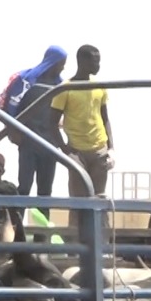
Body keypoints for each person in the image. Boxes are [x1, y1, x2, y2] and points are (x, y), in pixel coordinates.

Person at [51, 45, 113, 237]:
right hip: (77, 151)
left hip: (99, 149)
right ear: (83, 61)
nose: (98, 65)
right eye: (95, 60)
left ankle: (103, 248)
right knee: (78, 202)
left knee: (99, 200)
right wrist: (65, 149)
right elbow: (51, 122)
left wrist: (111, 148)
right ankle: (76, 249)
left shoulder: (99, 86)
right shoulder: (65, 88)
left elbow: (105, 118)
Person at [0, 45, 69, 197]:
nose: (63, 67)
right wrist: (12, 130)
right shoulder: (26, 81)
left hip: (50, 145)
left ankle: (44, 221)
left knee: (45, 191)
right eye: (61, 63)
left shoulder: (61, 87)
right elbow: (5, 104)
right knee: (24, 188)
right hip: (28, 144)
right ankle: (19, 221)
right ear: (53, 62)